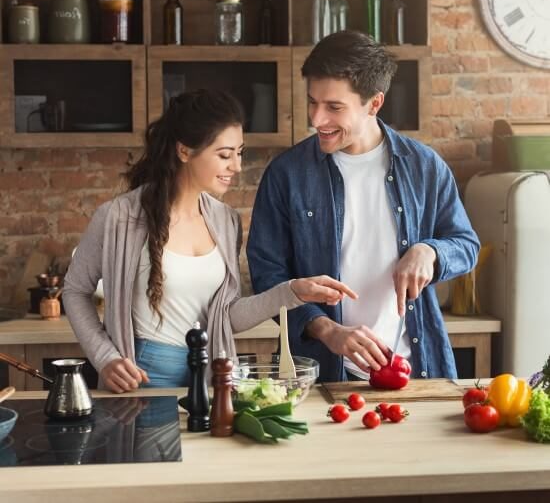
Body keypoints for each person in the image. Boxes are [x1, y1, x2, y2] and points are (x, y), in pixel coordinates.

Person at [63, 89, 356, 393]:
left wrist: (293, 291)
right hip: (144, 375)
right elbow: (75, 290)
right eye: (224, 155)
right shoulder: (118, 217)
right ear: (185, 151)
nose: (237, 166)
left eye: (239, 153)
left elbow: (226, 317)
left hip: (211, 374)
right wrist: (105, 357)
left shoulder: (225, 221)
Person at [247, 30, 480, 383]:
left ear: (374, 103)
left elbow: (466, 245)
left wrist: (429, 251)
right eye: (313, 102)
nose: (316, 119)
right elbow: (268, 275)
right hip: (322, 376)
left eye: (334, 107)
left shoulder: (424, 167)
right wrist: (325, 329)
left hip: (414, 371)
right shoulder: (286, 175)